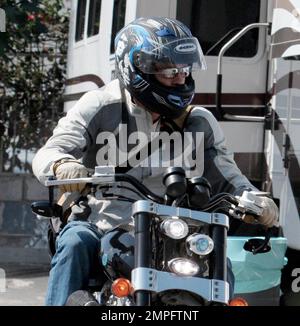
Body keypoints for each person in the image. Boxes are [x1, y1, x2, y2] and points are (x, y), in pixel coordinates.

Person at [32, 17, 279, 306]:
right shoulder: (100, 105)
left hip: (176, 229)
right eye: (170, 70)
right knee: (74, 244)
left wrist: (256, 200)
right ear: (137, 68)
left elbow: (228, 177)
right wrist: (63, 165)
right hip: (101, 221)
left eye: (184, 70)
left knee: (218, 263)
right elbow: (48, 152)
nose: (180, 78)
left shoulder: (199, 122)